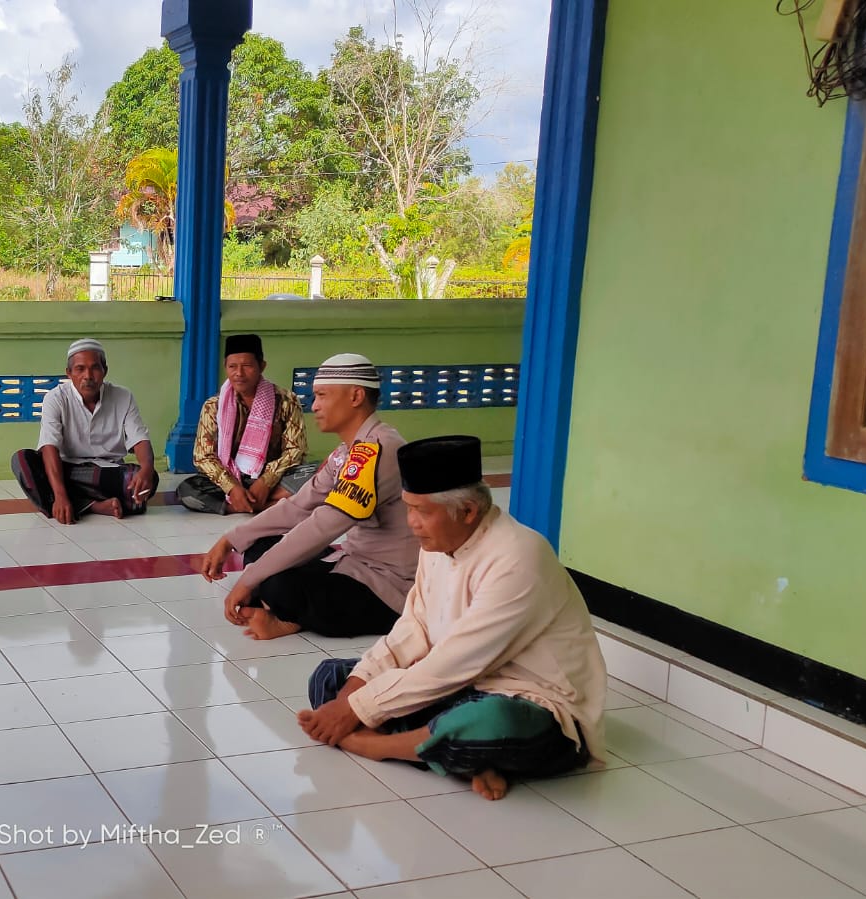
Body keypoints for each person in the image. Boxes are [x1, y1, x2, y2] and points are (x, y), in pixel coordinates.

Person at [298, 435, 608, 801]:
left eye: (422, 511)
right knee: (332, 678)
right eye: (408, 508)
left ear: (468, 511)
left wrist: (355, 713)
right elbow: (413, 629)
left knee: (485, 724)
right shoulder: (438, 543)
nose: (411, 522)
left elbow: (456, 661)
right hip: (462, 686)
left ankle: (377, 746)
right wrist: (351, 696)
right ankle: (451, 754)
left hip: (534, 705)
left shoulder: (519, 556)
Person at [200, 353, 418, 640]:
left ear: (355, 396)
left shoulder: (378, 449)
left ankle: (290, 619)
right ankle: (285, 613)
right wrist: (231, 539)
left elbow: (323, 526)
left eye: (322, 395)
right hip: (351, 564)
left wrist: (251, 579)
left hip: (386, 586)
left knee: (275, 583)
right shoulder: (346, 451)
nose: (314, 406)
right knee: (258, 547)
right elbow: (299, 506)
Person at [11, 338, 158, 524]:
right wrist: (60, 494)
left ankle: (69, 500)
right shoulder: (55, 398)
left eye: (95, 368)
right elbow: (49, 446)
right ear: (69, 373)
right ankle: (93, 505)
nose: (88, 375)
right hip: (66, 467)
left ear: (105, 370)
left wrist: (146, 469)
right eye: (80, 369)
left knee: (147, 479)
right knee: (22, 461)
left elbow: (139, 439)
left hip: (107, 472)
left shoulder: (123, 396)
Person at [179, 333, 317, 515]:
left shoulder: (285, 400)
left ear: (262, 366)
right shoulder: (214, 406)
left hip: (274, 479)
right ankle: (262, 504)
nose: (239, 373)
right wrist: (232, 487)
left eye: (247, 366)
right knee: (187, 490)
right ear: (225, 367)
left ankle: (249, 503)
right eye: (232, 367)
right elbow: (203, 456)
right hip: (232, 478)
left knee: (316, 473)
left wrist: (266, 481)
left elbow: (296, 450)